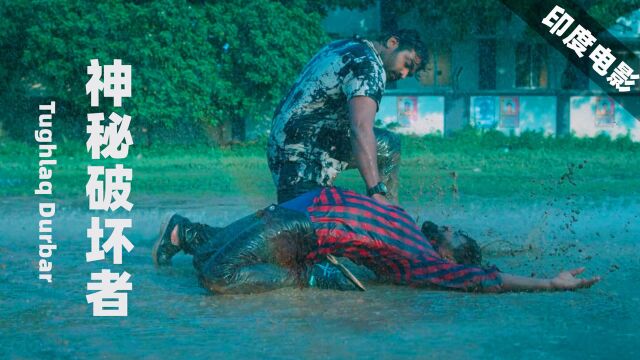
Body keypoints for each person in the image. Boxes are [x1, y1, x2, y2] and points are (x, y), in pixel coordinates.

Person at [152, 187, 600, 294]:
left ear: (449, 256)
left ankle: (182, 231)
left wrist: (548, 283)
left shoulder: (425, 261)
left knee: (218, 273)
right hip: (296, 214)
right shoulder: (401, 216)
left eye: (453, 235)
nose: (446, 227)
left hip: (299, 228)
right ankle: (183, 232)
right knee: (221, 262)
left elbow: (487, 279)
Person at [268, 29, 427, 205]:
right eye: (407, 63)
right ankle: (388, 214)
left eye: (410, 74)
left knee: (388, 143)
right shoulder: (370, 67)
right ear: (392, 43)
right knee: (306, 222)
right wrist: (375, 190)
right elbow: (360, 128)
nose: (404, 75)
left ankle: (389, 214)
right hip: (302, 152)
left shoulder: (343, 46)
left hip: (282, 141)